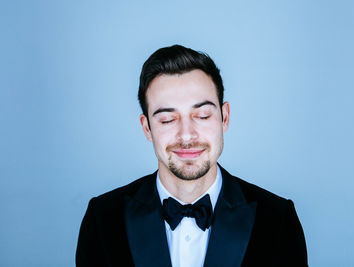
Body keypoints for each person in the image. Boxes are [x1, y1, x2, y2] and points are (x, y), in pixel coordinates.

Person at [76, 44, 308, 267]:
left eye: (203, 116)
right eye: (167, 119)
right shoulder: (102, 219)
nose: (186, 136)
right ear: (147, 128)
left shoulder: (278, 220)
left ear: (224, 118)